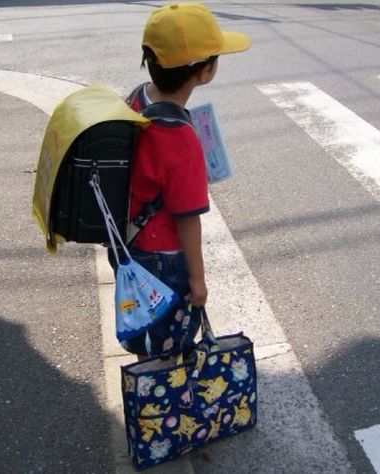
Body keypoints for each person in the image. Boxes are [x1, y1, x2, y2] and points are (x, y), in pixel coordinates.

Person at [113, 2, 250, 359]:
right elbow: (186, 217)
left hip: (131, 241)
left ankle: (149, 395)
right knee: (170, 347)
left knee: (147, 331)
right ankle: (162, 408)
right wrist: (198, 280)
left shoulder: (138, 97)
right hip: (164, 257)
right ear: (204, 72)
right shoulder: (180, 136)